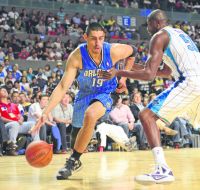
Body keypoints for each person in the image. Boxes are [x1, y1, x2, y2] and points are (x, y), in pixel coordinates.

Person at [99, 9, 200, 183]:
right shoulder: (179, 33)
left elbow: (149, 75)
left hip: (192, 82)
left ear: (156, 23)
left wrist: (118, 71)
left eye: (148, 24)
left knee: (146, 115)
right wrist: (129, 67)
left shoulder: (158, 37)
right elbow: (164, 71)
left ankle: (162, 169)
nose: (147, 28)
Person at [30, 22, 136, 180]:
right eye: (93, 39)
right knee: (76, 134)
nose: (98, 43)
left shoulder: (113, 50)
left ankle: (72, 161)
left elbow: (132, 52)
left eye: (101, 38)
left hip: (107, 92)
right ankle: (81, 149)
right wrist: (45, 113)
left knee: (91, 114)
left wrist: (124, 77)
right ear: (85, 37)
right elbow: (62, 86)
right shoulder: (77, 56)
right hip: (85, 94)